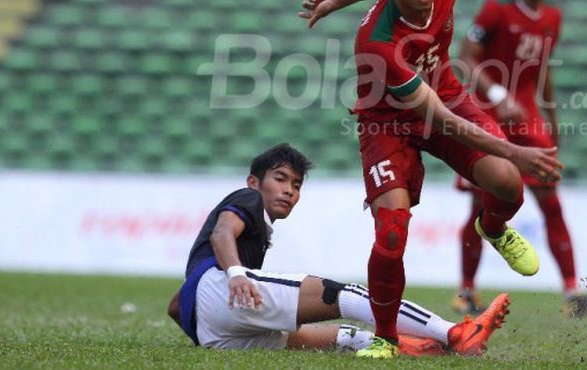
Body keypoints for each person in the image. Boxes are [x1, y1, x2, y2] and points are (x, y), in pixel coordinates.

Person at [299, 0, 564, 358]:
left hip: (446, 88)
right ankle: (385, 339)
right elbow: (437, 118)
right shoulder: (377, 43)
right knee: (391, 234)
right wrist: (516, 148)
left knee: (507, 181)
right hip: (387, 122)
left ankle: (492, 227)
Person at [165, 143, 510, 357]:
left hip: (212, 332)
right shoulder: (248, 198)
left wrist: (208, 325)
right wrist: (236, 275)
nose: (288, 190)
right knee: (344, 295)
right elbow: (223, 232)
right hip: (220, 290)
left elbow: (175, 306)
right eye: (280, 178)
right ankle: (455, 333)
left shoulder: (257, 223)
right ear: (254, 181)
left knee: (335, 339)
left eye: (296, 185)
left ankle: (435, 350)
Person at [451, 0, 587, 318]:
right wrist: (499, 94)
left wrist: (552, 119)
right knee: (481, 206)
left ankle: (572, 294)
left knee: (552, 203)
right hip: (488, 118)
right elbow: (465, 58)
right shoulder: (496, 10)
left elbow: (543, 70)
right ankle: (466, 292)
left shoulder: (552, 17)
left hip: (530, 122)